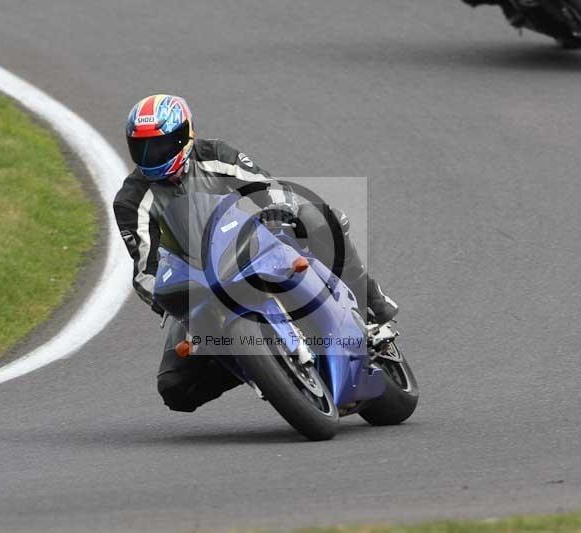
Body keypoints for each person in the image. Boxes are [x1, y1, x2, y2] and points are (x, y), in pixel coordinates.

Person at [113, 94, 399, 412]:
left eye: (161, 145)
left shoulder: (214, 154)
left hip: (248, 246)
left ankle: (371, 305)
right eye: (143, 147)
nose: (152, 155)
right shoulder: (130, 201)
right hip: (196, 285)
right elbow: (144, 270)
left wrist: (279, 208)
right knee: (175, 389)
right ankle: (263, 365)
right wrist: (170, 299)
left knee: (316, 219)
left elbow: (265, 185)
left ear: (185, 135)